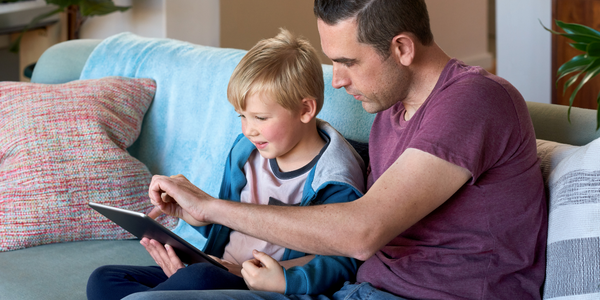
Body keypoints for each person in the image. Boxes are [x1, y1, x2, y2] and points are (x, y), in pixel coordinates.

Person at [133, 0, 548, 299]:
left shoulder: (474, 100)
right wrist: (238, 269)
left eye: (348, 61)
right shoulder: (389, 111)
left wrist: (210, 207)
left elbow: (360, 232)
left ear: (401, 48)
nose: (337, 82)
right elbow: (351, 246)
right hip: (361, 290)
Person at [86, 28, 366, 300]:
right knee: (104, 279)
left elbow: (341, 260)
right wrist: (193, 216)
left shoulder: (334, 178)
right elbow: (230, 225)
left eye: (260, 118)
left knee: (196, 279)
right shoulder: (247, 151)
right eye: (241, 116)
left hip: (254, 282)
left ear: (306, 109)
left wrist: (280, 278)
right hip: (216, 267)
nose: (248, 130)